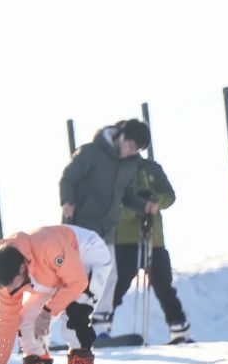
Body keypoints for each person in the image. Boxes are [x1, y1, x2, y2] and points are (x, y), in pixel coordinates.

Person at [0, 225, 113, 364]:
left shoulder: (47, 245)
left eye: (13, 285)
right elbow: (6, 325)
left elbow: (78, 282)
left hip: (88, 258)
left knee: (75, 309)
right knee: (26, 320)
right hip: (54, 276)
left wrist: (48, 311)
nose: (10, 290)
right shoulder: (7, 281)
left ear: (21, 269)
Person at [59, 119, 158, 337]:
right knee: (79, 277)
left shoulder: (130, 164)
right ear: (121, 136)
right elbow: (68, 178)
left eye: (137, 150)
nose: (131, 152)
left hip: (107, 229)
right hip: (81, 226)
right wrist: (67, 200)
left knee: (109, 275)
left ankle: (100, 328)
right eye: (131, 146)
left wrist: (145, 206)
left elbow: (128, 196)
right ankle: (69, 330)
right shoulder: (91, 152)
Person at [112, 155, 191, 344]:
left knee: (163, 283)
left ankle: (179, 328)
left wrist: (155, 202)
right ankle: (97, 329)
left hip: (154, 238)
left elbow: (169, 195)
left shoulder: (152, 168)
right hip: (125, 239)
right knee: (117, 285)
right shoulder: (113, 170)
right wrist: (138, 207)